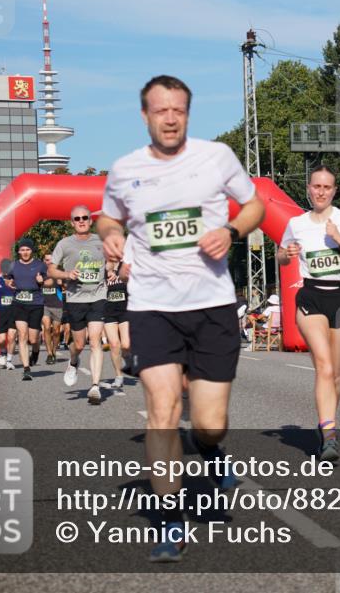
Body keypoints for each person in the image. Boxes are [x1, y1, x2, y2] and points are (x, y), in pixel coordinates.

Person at [98, 74, 265, 562]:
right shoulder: (124, 168)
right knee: (163, 410)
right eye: (160, 109)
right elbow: (109, 215)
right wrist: (110, 232)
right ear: (145, 115)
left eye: (178, 110)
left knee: (209, 423)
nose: (169, 117)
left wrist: (232, 230)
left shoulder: (216, 157)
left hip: (211, 304)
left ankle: (210, 452)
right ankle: (170, 520)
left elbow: (254, 203)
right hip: (151, 306)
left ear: (188, 114)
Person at [279, 165, 340, 462]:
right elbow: (280, 255)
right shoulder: (296, 223)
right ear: (308, 188)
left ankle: (327, 422)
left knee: (338, 373)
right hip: (311, 297)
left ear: (334, 191)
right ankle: (329, 435)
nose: (321, 192)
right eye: (316, 186)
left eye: (327, 187)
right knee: (324, 366)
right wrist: (285, 255)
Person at [50, 206, 109, 405]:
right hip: (75, 299)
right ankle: (73, 362)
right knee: (79, 344)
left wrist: (112, 270)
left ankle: (95, 386)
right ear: (72, 222)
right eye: (77, 219)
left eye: (85, 217)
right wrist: (66, 275)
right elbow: (51, 270)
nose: (81, 221)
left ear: (91, 221)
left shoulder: (101, 241)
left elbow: (112, 261)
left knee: (95, 341)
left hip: (98, 296)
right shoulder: (64, 244)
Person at [7, 238, 50, 381]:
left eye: (28, 250)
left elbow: (49, 280)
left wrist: (42, 281)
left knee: (33, 338)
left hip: (36, 303)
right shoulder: (13, 265)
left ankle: (36, 351)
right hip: (19, 303)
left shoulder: (40, 265)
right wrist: (10, 283)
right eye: (22, 250)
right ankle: (26, 368)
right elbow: (7, 279)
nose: (25, 252)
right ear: (19, 251)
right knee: (22, 335)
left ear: (32, 251)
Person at [100, 258, 129, 394]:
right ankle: (118, 376)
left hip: (125, 309)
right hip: (109, 311)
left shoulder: (126, 264)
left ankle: (128, 359)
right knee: (114, 344)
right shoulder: (103, 266)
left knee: (126, 345)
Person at [40, 252, 64, 365]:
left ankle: (54, 351)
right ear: (44, 261)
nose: (48, 262)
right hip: (44, 305)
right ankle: (49, 354)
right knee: (46, 328)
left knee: (56, 331)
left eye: (50, 260)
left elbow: (67, 286)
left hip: (57, 305)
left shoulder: (58, 272)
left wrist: (62, 283)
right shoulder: (40, 273)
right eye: (46, 260)